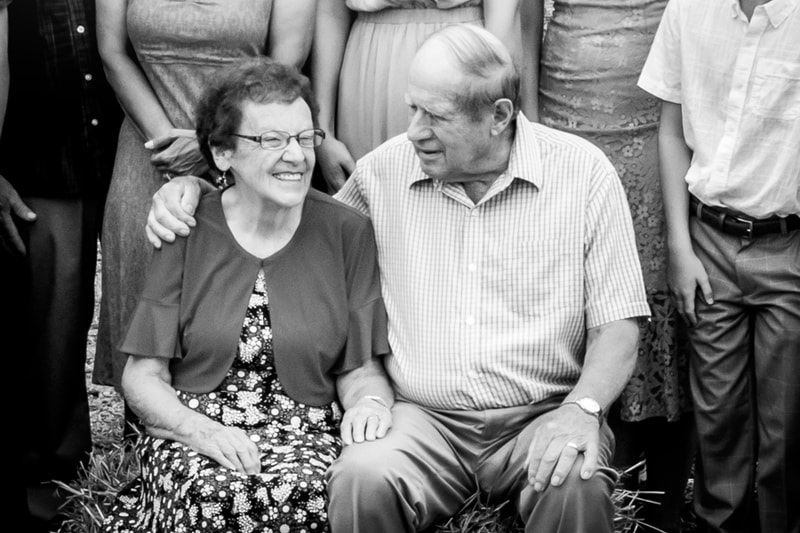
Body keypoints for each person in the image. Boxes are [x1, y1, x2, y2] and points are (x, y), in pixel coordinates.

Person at [145, 25, 651, 533]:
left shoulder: (583, 174)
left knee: (574, 480)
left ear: (498, 116)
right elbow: (295, 226)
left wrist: (582, 408)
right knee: (363, 476)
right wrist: (198, 188)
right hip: (421, 419)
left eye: (435, 116)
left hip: (542, 414)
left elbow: (619, 323)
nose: (413, 131)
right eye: (412, 109)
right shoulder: (385, 171)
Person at [102, 58, 394, 533]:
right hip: (194, 429)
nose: (296, 156)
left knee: (308, 493)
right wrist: (202, 432)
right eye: (271, 140)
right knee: (216, 494)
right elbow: (143, 377)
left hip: (304, 434)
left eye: (304, 138)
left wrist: (370, 405)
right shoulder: (187, 227)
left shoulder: (348, 232)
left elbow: (360, 370)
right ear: (222, 153)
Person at [93, 0, 318, 428]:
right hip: (151, 149)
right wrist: (167, 143)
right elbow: (112, 52)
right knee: (144, 288)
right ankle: (143, 444)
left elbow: (284, 68)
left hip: (249, 147)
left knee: (236, 295)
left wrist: (210, 146)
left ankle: (235, 434)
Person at [526, 1, 695, 530]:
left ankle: (660, 505)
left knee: (655, 301)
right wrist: (531, 129)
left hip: (657, 120)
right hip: (563, 112)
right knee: (578, 300)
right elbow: (527, 20)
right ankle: (591, 483)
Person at [638, 1, 800, 532]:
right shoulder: (689, 9)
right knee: (718, 416)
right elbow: (671, 130)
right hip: (707, 240)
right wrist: (680, 249)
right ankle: (717, 522)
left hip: (788, 245)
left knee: (786, 422)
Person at [0, 0, 122, 529]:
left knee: (153, 303)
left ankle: (153, 455)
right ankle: (50, 473)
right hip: (40, 165)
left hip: (131, 153)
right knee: (54, 318)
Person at [310, 0, 535, 192]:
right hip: (368, 63)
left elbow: (503, 19)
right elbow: (330, 10)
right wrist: (323, 132)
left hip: (465, 58)